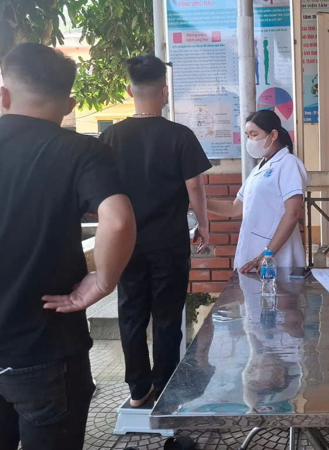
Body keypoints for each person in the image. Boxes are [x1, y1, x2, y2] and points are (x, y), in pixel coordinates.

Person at [0, 43, 136, 450]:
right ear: (70, 105)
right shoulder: (83, 151)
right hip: (46, 352)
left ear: (3, 95)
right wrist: (102, 281)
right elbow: (117, 220)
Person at [99, 55, 212, 407]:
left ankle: (138, 391)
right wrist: (204, 225)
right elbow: (194, 187)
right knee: (167, 316)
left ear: (129, 90)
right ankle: (164, 386)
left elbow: (102, 193)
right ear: (164, 92)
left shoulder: (110, 136)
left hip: (126, 244)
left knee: (131, 313)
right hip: (169, 243)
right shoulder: (180, 135)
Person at [207, 110, 306, 272]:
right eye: (247, 136)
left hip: (277, 254)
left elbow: (292, 213)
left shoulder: (288, 163)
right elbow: (234, 208)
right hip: (253, 251)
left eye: (254, 135)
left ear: (273, 135)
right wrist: (197, 201)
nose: (250, 140)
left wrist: (267, 253)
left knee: (276, 287)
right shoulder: (258, 169)